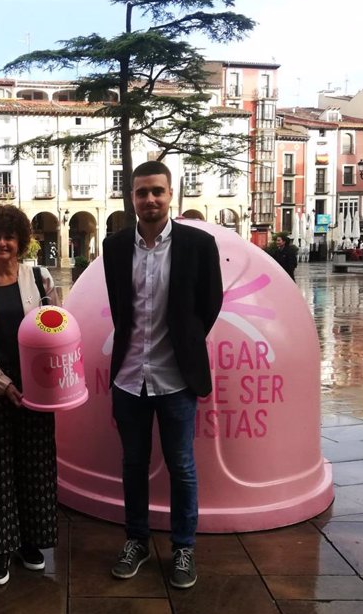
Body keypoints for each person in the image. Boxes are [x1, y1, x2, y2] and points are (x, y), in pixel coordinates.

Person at [102, 160, 223, 589]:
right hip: (129, 377)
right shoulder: (114, 247)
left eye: (157, 191)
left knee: (182, 466)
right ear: (132, 197)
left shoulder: (198, 244)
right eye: (141, 192)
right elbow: (122, 309)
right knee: (133, 465)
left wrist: (186, 344)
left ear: (171, 194)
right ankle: (135, 540)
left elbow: (210, 305)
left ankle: (183, 548)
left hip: (176, 380)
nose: (149, 199)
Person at [0, 204, 59, 586]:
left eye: (9, 236)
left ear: (21, 241)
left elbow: (56, 328)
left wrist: (45, 383)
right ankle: (1, 550)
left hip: (36, 391)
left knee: (35, 467)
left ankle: (31, 544)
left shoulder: (39, 278)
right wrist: (3, 384)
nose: (2, 243)